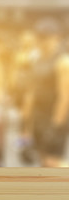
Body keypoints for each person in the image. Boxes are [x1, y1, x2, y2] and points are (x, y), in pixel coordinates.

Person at [25, 18, 69, 167]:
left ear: (56, 37)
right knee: (42, 159)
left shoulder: (63, 62)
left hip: (53, 119)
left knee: (52, 162)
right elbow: (31, 93)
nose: (42, 41)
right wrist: (27, 124)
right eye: (39, 37)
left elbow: (64, 97)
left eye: (45, 38)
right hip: (39, 118)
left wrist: (56, 127)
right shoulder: (37, 61)